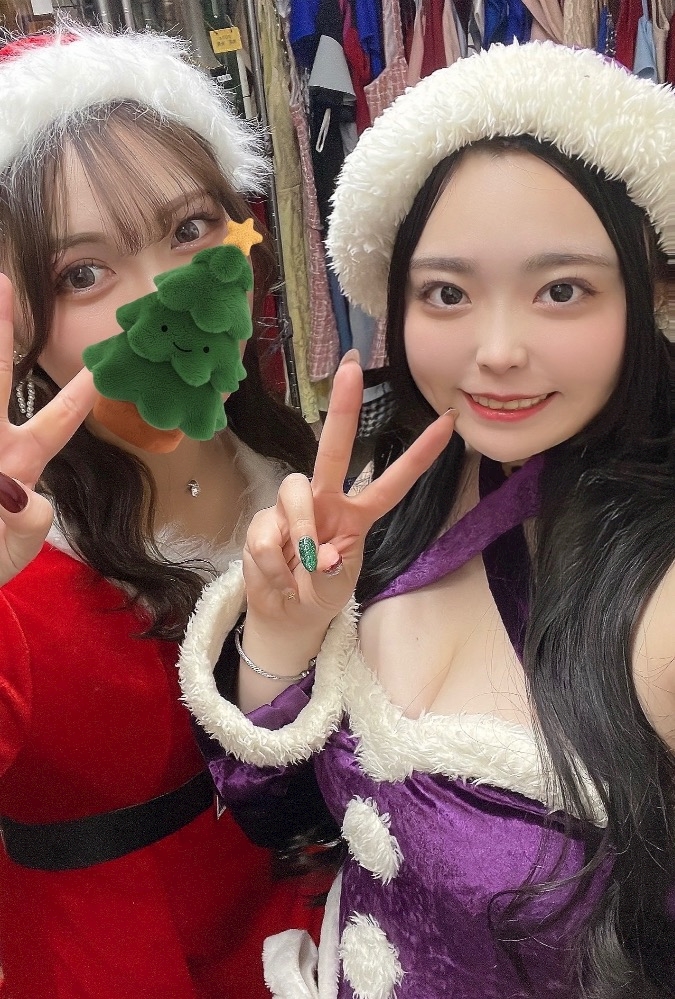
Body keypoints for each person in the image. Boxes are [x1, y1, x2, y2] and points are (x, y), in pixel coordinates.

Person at [179, 41, 675, 999]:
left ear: (647, 292)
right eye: (446, 293)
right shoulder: (391, 492)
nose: (496, 351)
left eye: (560, 289)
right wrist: (282, 634)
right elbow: (285, 819)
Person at [0, 25, 325, 999]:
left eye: (189, 231)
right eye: (83, 273)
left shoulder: (303, 463)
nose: (165, 298)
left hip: (321, 937)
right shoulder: (22, 552)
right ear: (21, 326)